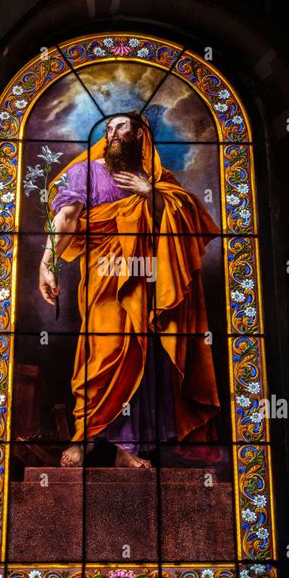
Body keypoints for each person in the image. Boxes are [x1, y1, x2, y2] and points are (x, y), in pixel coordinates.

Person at [39, 112, 220, 467]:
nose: (113, 133)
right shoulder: (86, 171)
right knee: (104, 352)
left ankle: (129, 448)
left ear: (140, 133)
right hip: (104, 278)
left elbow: (185, 222)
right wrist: (47, 263)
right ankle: (84, 436)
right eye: (108, 128)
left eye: (121, 126)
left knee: (144, 356)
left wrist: (152, 196)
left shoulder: (159, 180)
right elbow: (67, 218)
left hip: (148, 282)